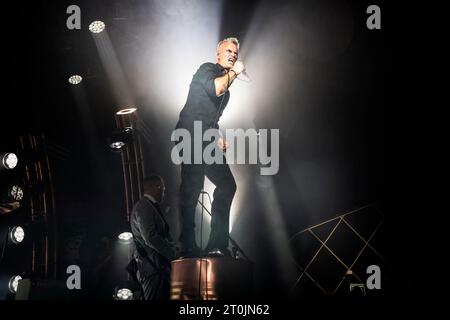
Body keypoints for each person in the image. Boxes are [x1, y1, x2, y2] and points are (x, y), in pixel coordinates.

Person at [174, 37, 245, 258]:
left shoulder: (229, 92)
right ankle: (187, 244)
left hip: (206, 139)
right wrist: (235, 72)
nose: (233, 55)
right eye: (229, 51)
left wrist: (217, 137)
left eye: (235, 52)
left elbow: (212, 119)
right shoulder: (207, 69)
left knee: (227, 185)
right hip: (189, 135)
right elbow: (216, 88)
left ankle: (217, 243)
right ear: (218, 53)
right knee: (192, 188)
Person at [129, 175, 178, 300]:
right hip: (153, 269)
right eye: (163, 187)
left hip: (157, 268)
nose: (164, 191)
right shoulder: (144, 206)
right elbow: (150, 236)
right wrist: (172, 253)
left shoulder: (146, 206)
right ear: (158, 187)